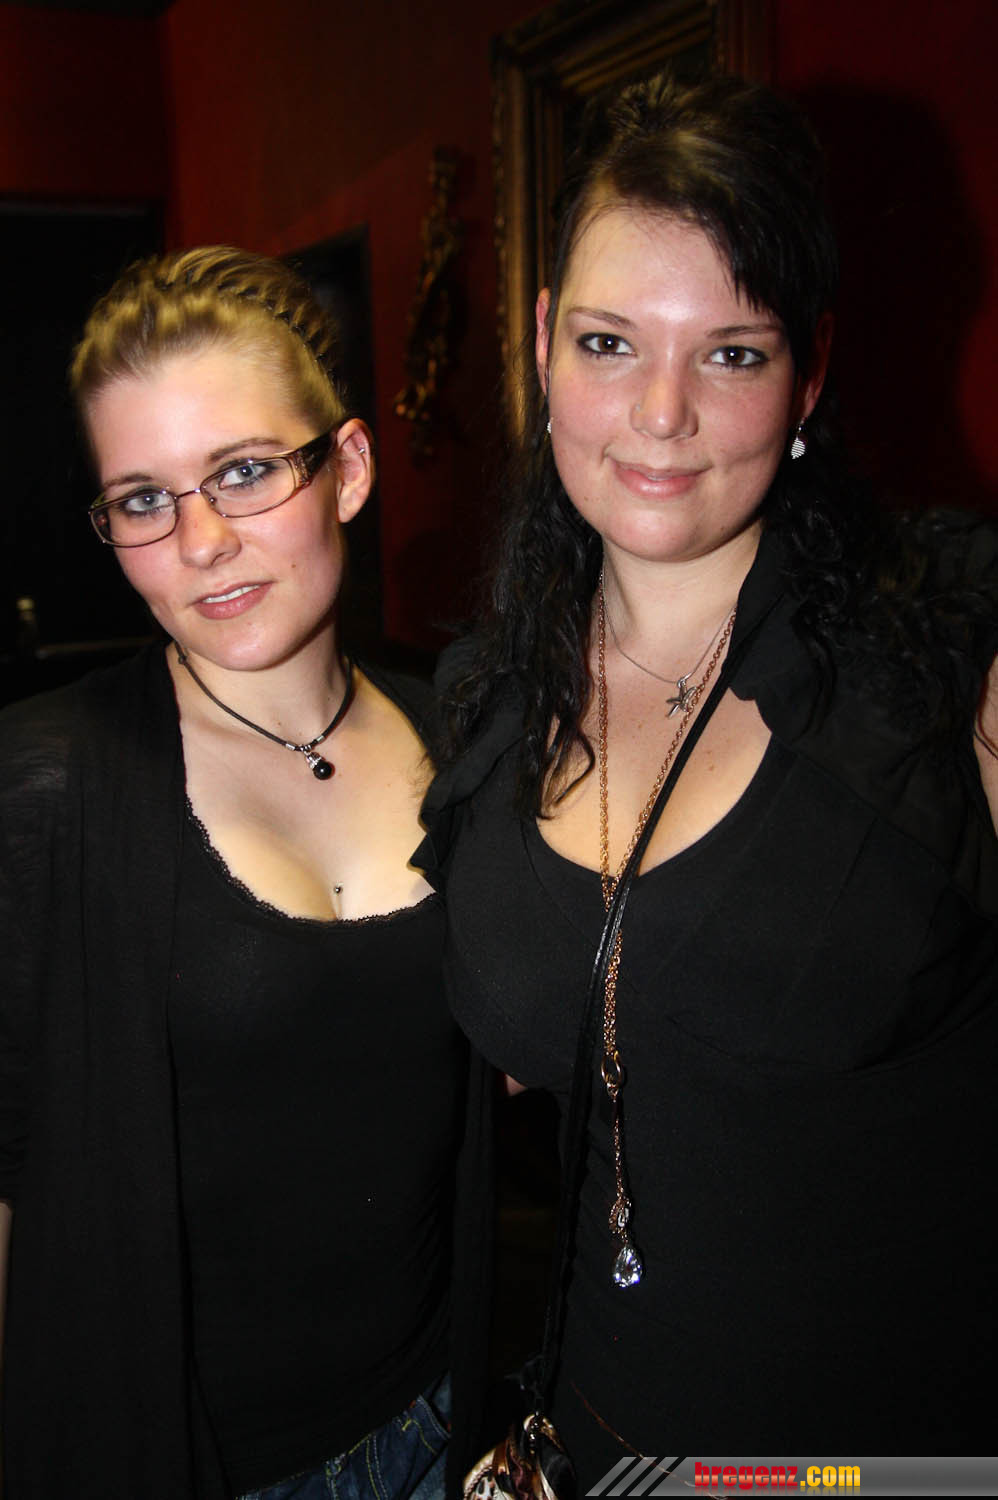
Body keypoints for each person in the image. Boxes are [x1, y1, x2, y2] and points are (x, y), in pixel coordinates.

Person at [418, 72, 998, 1480]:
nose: (660, 413)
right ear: (542, 343)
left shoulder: (951, 649)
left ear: (809, 372)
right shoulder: (488, 700)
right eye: (608, 343)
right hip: (595, 1441)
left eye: (730, 353)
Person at [0, 247, 466, 1500]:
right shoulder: (44, 789)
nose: (201, 541)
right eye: (142, 499)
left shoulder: (464, 741)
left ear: (347, 469)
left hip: (447, 1416)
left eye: (245, 471)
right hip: (191, 1462)